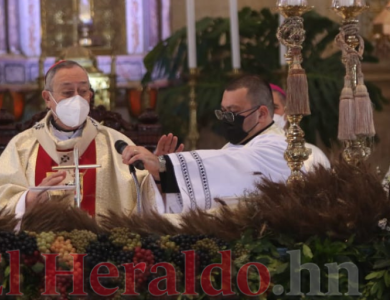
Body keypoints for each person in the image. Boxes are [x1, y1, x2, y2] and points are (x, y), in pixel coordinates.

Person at [0, 60, 181, 218]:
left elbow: (143, 201)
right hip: (39, 256)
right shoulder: (23, 146)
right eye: (67, 92)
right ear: (48, 98)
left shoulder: (115, 143)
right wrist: (26, 201)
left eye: (83, 91)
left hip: (103, 256)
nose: (77, 98)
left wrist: (160, 173)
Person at [121, 75, 294, 214]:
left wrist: (163, 166)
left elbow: (232, 165)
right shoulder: (235, 147)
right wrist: (160, 176)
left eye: (233, 112)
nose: (226, 119)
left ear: (262, 114)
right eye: (223, 112)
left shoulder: (279, 147)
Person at [270, 83, 330, 171]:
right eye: (259, 109)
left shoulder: (313, 155)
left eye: (273, 108)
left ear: (286, 113)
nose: (268, 114)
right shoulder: (245, 154)